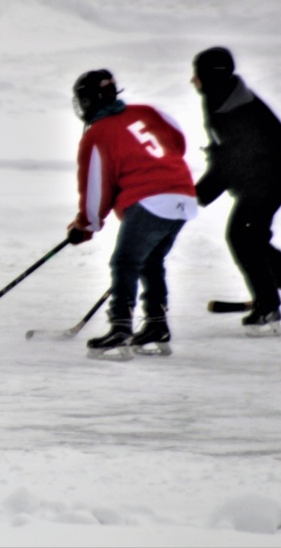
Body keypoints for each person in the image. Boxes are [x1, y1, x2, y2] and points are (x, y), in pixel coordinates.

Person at [66, 69, 198, 360]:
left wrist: (85, 226)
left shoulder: (96, 134)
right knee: (150, 260)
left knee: (125, 261)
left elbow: (95, 191)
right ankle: (155, 325)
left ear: (88, 102)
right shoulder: (148, 112)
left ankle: (120, 329)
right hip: (184, 196)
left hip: (150, 201)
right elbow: (177, 141)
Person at [191, 46, 281, 334]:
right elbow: (224, 154)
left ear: (209, 77)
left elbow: (232, 160)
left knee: (243, 235)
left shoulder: (236, 110)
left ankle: (271, 304)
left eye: (197, 74)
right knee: (249, 237)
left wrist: (199, 194)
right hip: (258, 176)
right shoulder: (220, 99)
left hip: (271, 177)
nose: (192, 81)